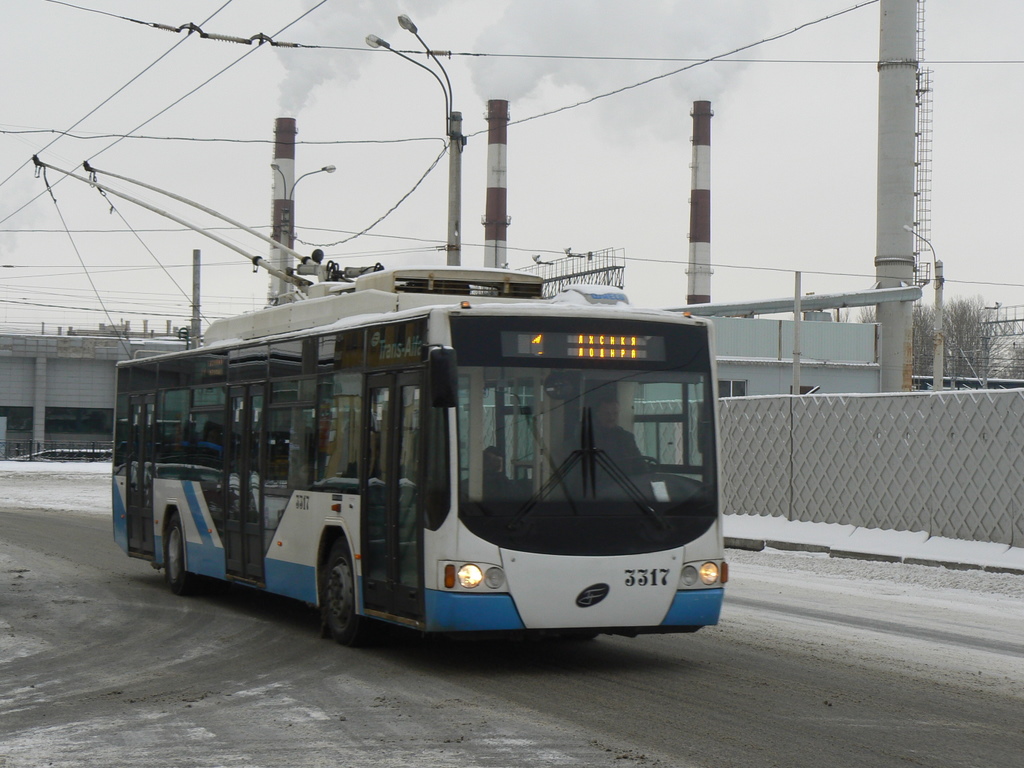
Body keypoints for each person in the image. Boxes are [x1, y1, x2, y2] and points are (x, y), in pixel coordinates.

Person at [588, 390, 645, 476]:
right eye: (607, 413)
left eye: (615, 413)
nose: (611, 417)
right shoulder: (588, 438)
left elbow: (639, 464)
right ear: (598, 414)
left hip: (627, 486)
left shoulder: (627, 438)